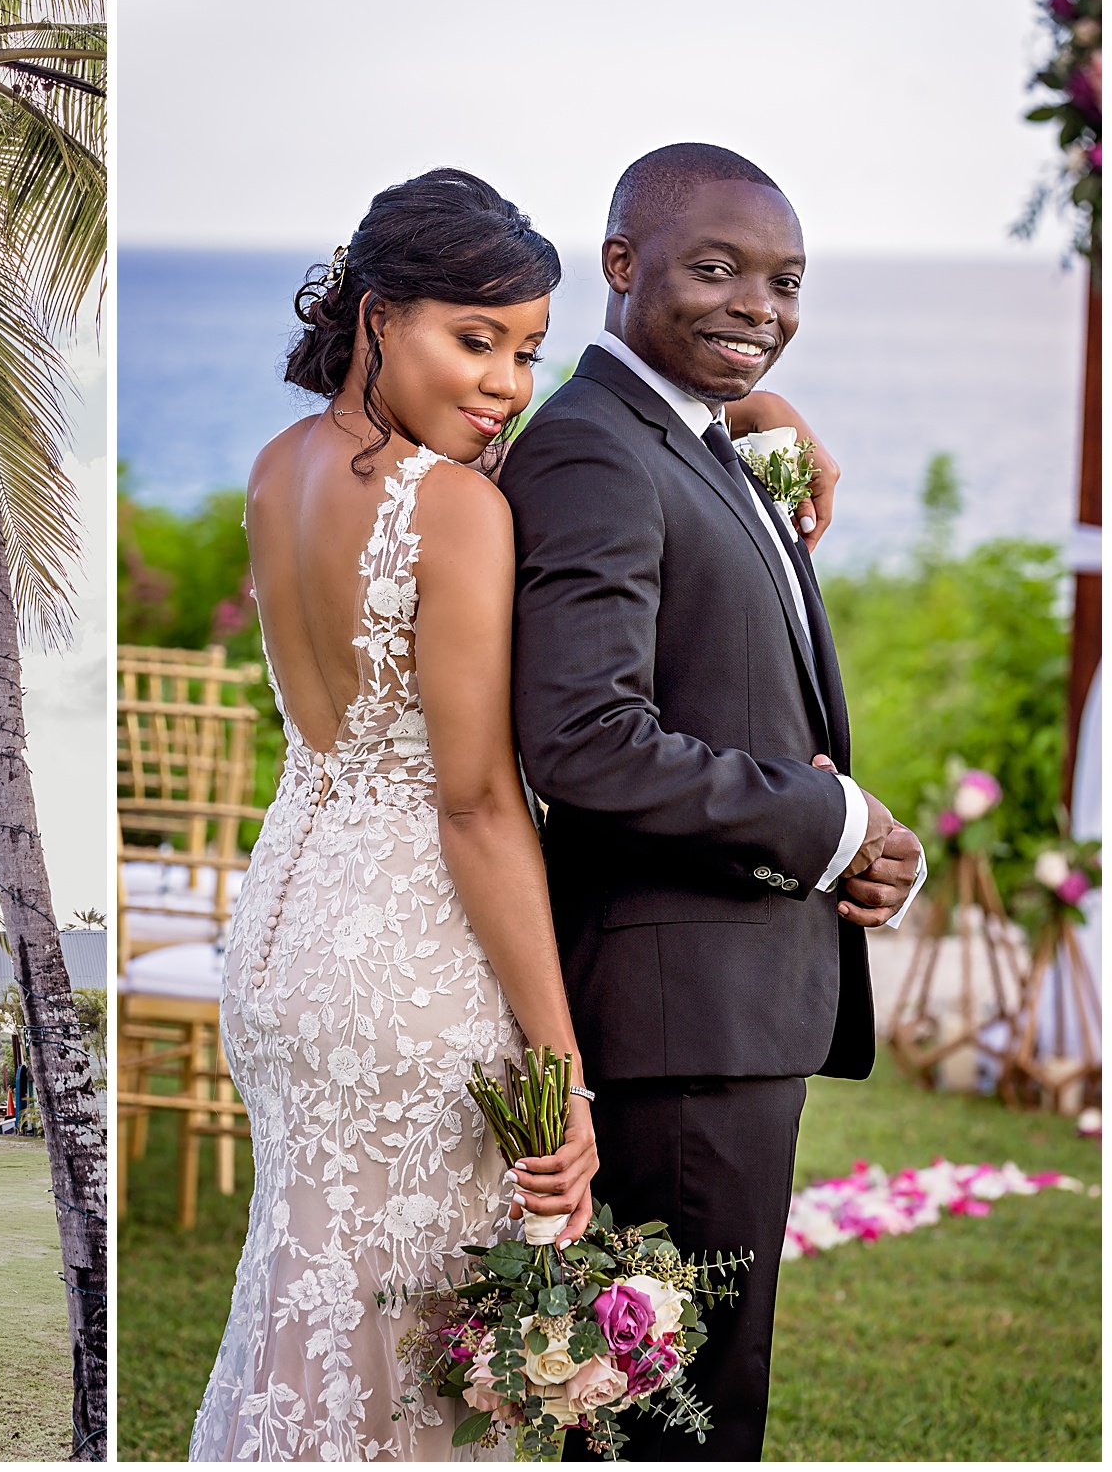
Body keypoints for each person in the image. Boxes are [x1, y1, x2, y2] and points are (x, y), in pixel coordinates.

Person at [502, 143, 925, 1460]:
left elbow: (729, 692)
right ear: (621, 266)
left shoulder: (696, 437)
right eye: (719, 268)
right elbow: (583, 737)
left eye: (786, 280)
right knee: (669, 1421)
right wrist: (829, 826)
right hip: (675, 1021)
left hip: (730, 1009)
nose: (761, 305)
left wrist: (855, 844)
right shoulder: (591, 451)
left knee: (693, 1404)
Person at [189, 169, 600, 1462]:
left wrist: (742, 409)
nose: (505, 384)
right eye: (474, 340)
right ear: (378, 317)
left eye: (528, 351)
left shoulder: (273, 470)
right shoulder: (458, 511)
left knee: (307, 1305)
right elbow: (478, 803)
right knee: (413, 1354)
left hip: (280, 943)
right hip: (411, 968)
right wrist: (561, 1068)